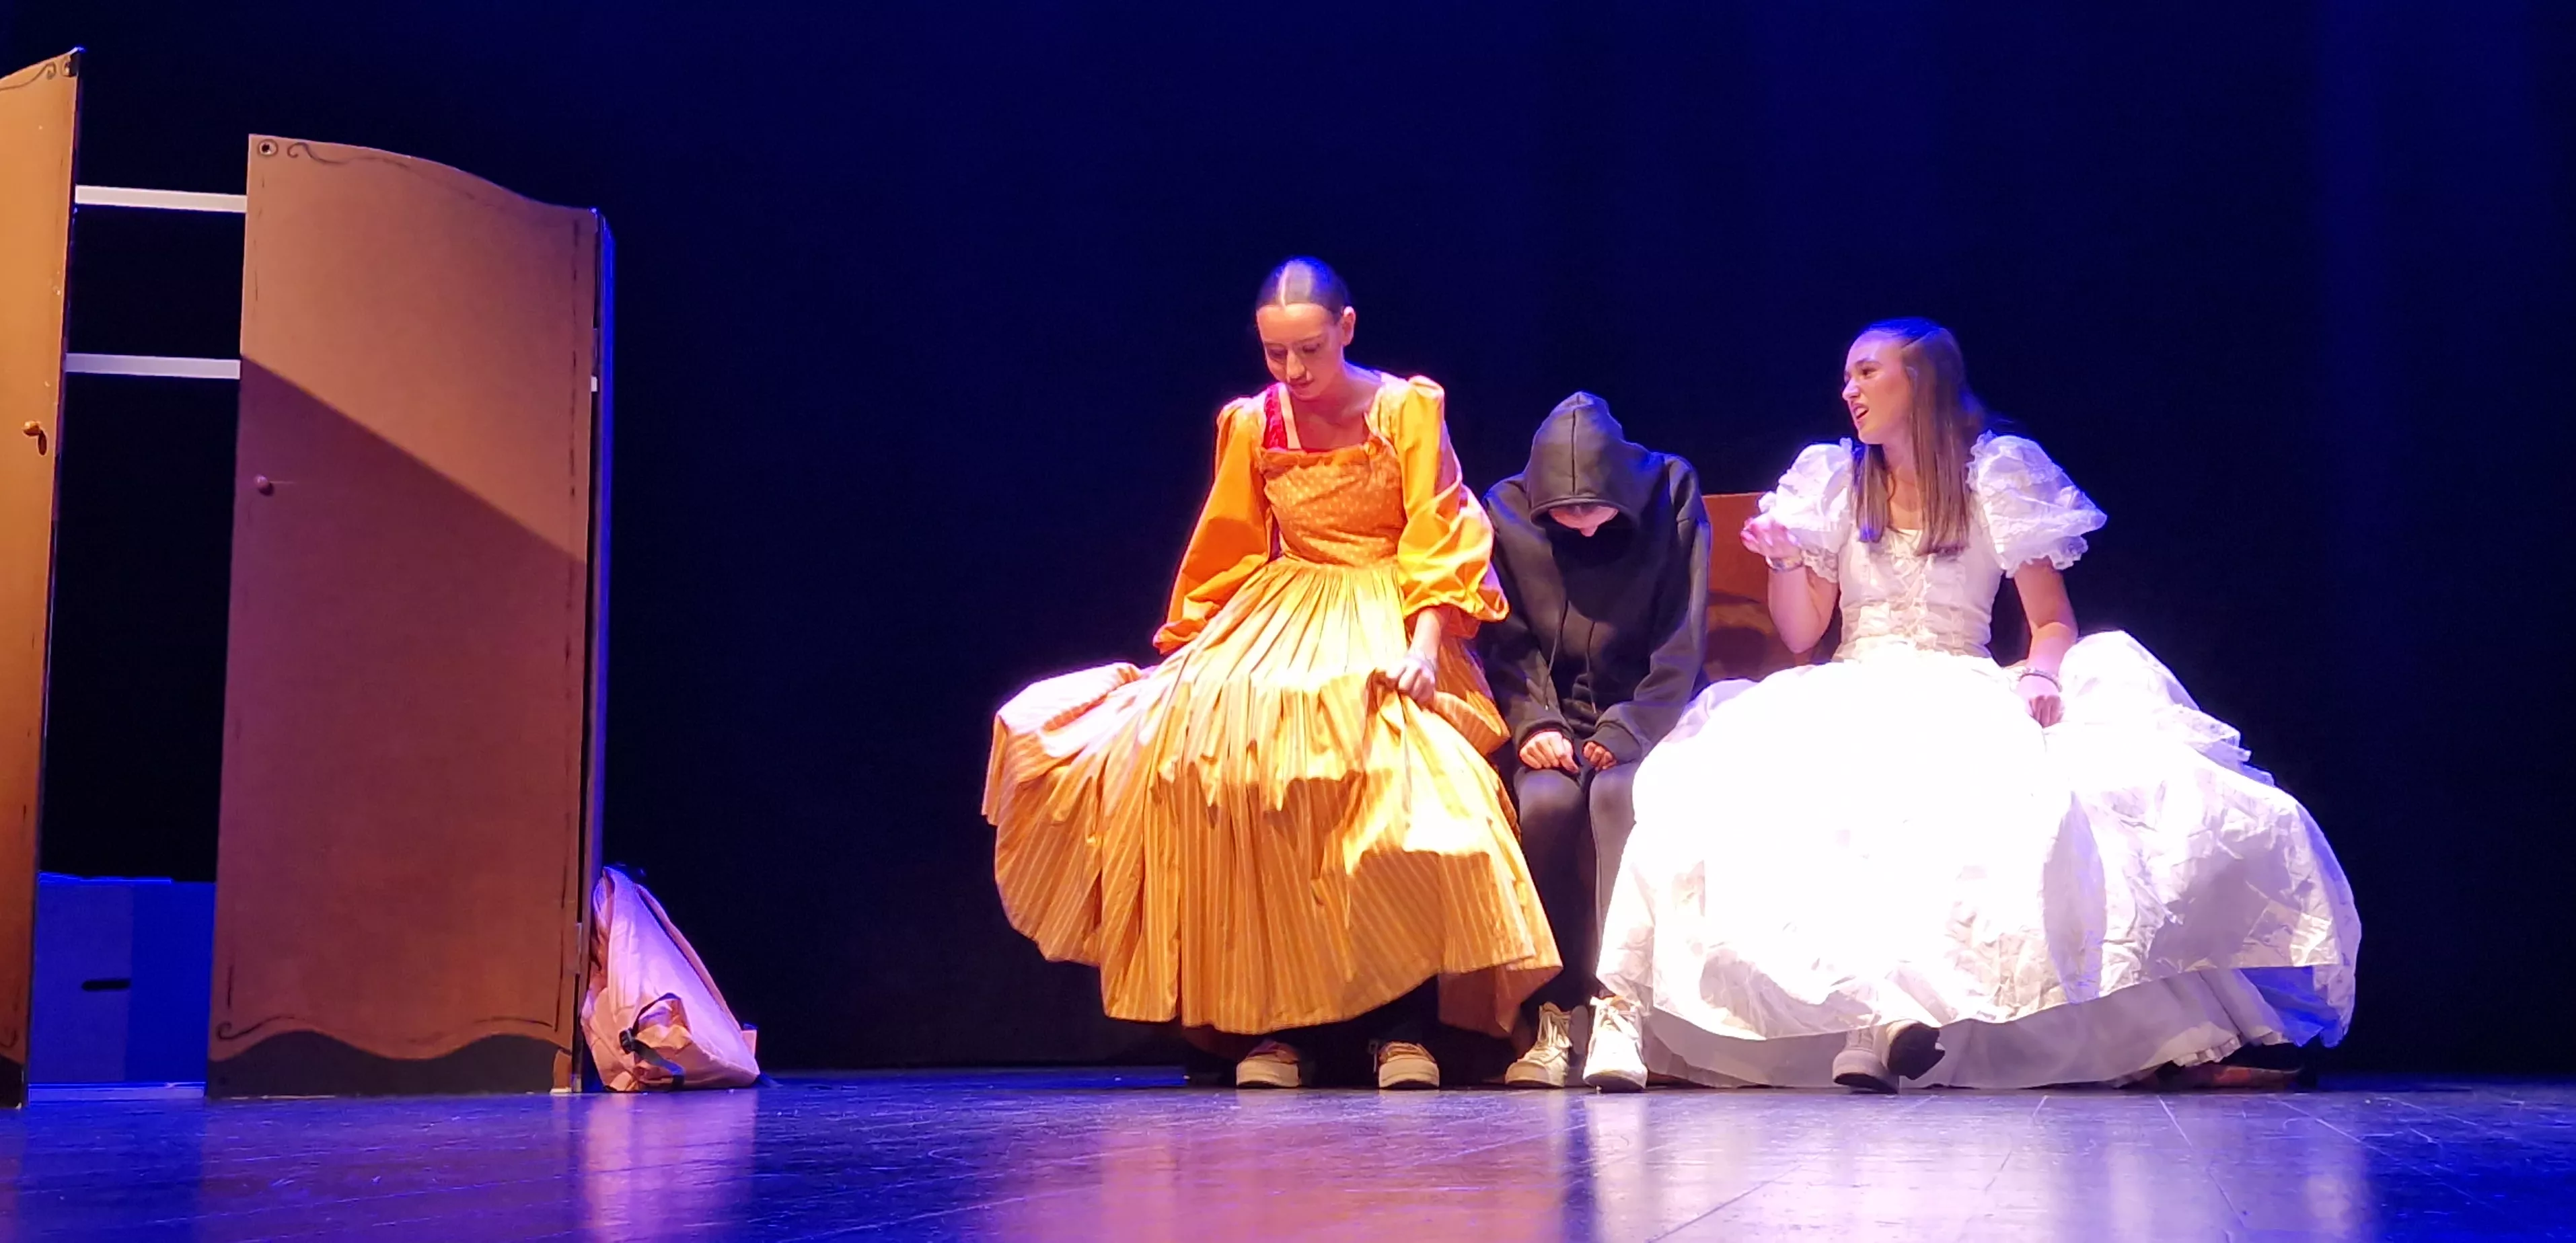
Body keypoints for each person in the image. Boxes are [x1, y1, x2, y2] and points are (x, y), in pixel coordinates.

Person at [1584, 317, 2361, 1093]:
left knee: (1983, 809)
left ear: (1917, 380)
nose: (1847, 390)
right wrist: (1786, 556)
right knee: (1792, 806)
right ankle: (1860, 1018)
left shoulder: (1997, 475)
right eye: (1847, 376)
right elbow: (1801, 629)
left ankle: (1894, 1022)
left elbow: (2052, 621)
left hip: (1961, 679)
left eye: (1865, 372)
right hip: (1855, 678)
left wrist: (2043, 675)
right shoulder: (1830, 478)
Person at [985, 258, 1558, 1091]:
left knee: (1378, 765)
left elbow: (1438, 535)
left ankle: (1398, 1027)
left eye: (1311, 351)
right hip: (1281, 607)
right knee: (1222, 755)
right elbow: (1226, 542)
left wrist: (1426, 648)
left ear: (1347, 330)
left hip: (1385, 605)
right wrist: (1190, 649)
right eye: (1276, 354)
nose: (1294, 372)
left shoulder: (1405, 409)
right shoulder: (1254, 423)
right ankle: (1273, 1024)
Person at [1476, 393, 1709, 1088]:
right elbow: (1506, 644)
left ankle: (1618, 1004)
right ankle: (1552, 1011)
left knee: (1618, 797)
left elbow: (1681, 637)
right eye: (1562, 514)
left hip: (1647, 715)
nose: (1578, 527)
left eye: (1592, 510)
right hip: (1550, 722)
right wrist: (1534, 722)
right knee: (1545, 806)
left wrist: (1630, 724)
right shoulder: (1507, 507)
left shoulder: (1671, 489)